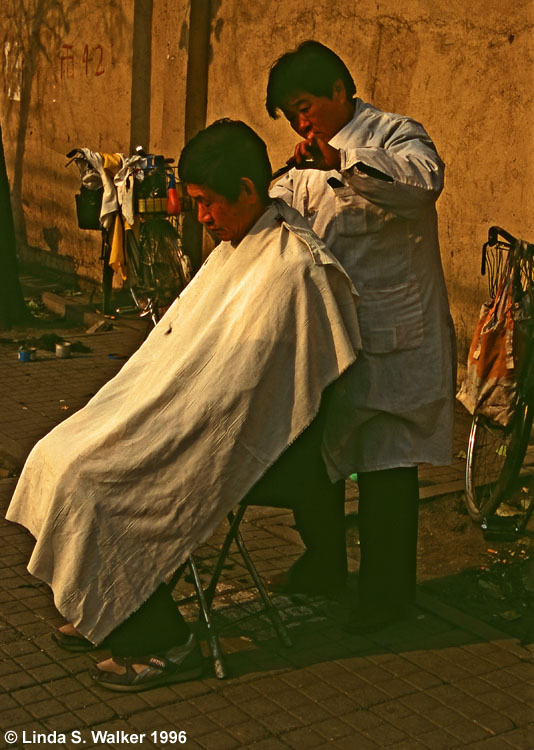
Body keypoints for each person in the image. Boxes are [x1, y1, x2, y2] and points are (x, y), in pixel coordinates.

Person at [6, 119, 361, 691]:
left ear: (249, 191)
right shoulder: (237, 249)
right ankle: (111, 597)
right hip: (194, 417)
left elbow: (254, 391)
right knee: (56, 452)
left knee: (98, 486)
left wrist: (168, 428)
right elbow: (180, 357)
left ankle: (160, 642)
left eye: (205, 204)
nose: (200, 219)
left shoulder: (295, 269)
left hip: (263, 447)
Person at [266, 41, 456, 631]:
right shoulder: (304, 165)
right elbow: (281, 218)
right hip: (326, 339)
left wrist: (342, 164)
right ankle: (324, 563)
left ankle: (386, 598)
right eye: (291, 116)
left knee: (384, 470)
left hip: (392, 338)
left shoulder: (399, 137)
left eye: (304, 107)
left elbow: (423, 183)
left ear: (338, 92)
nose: (301, 123)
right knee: (311, 455)